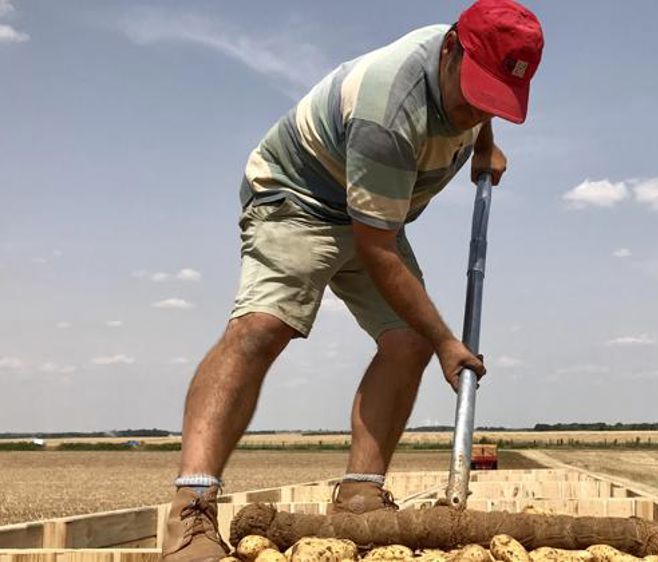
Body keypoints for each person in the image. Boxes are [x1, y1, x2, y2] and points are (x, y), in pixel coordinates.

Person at [160, 1, 544, 561]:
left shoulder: (473, 67)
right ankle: (190, 511)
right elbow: (378, 250)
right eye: (473, 94)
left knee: (406, 339)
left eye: (493, 102)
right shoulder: (387, 108)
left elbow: (475, 109)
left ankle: (360, 495)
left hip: (372, 213)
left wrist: (486, 143)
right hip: (301, 196)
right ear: (450, 50)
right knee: (264, 326)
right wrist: (446, 342)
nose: (472, 111)